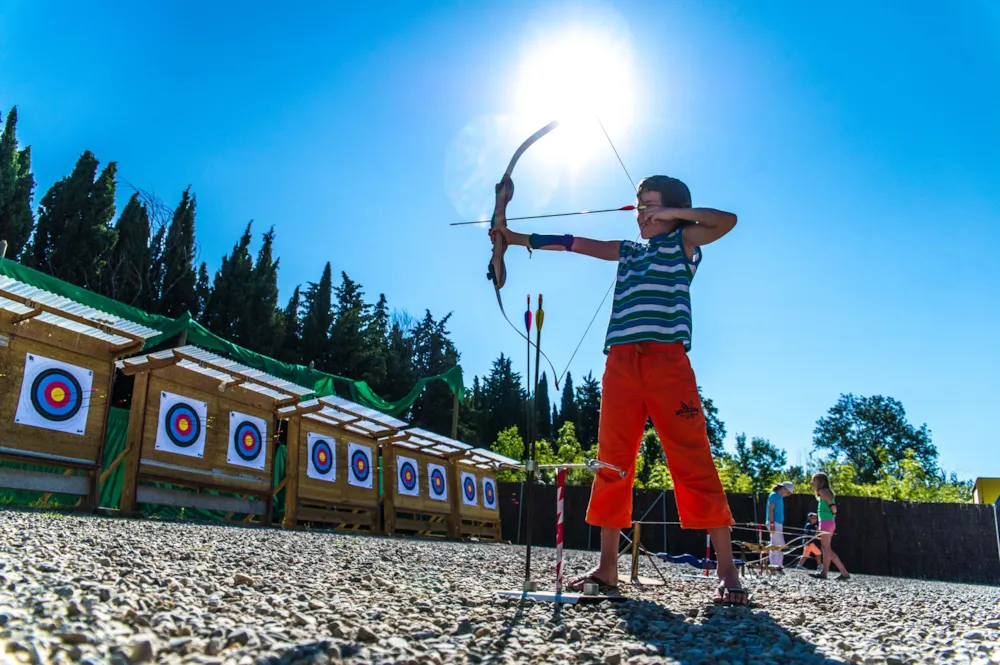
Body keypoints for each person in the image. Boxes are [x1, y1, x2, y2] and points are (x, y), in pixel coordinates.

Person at [489, 175, 745, 604]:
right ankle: (608, 568)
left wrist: (673, 216)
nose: (642, 212)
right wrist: (512, 238)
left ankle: (727, 571)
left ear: (673, 209)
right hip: (622, 363)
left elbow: (728, 220)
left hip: (668, 363)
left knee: (692, 456)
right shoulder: (629, 251)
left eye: (650, 205)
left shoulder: (684, 245)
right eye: (639, 204)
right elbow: (575, 242)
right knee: (612, 462)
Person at [810, 472, 849, 580]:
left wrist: (832, 514)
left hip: (826, 522)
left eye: (814, 480)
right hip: (827, 521)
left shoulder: (823, 491)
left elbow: (833, 507)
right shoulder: (825, 491)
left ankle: (824, 573)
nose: (812, 482)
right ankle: (843, 572)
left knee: (826, 549)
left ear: (820, 481)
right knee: (826, 548)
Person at [766, 481, 794, 572]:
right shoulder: (774, 495)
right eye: (788, 492)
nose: (788, 495)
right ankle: (777, 565)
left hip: (777, 523)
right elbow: (771, 509)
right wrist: (772, 523)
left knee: (775, 544)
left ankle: (774, 565)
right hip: (774, 523)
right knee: (779, 545)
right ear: (784, 489)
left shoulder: (779, 497)